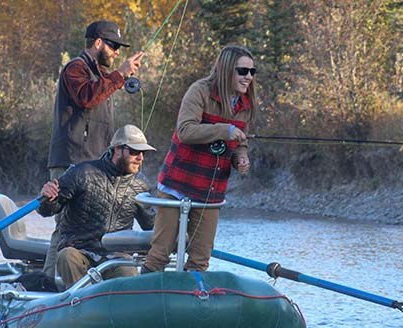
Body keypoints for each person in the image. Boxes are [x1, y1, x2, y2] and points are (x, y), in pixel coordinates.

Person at [44, 20, 145, 280]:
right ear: (98, 43)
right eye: (113, 46)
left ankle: (91, 282)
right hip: (70, 159)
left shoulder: (102, 76)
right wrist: (120, 75)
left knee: (89, 226)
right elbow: (87, 97)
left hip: (94, 163)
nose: (117, 52)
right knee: (65, 225)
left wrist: (117, 77)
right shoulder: (74, 68)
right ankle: (50, 283)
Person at [142, 45, 255, 273]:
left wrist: (240, 159)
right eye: (243, 71)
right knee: (159, 255)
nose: (249, 78)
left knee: (200, 260)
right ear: (226, 69)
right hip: (177, 183)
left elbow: (240, 142)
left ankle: (189, 301)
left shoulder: (246, 104)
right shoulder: (199, 91)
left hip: (211, 191)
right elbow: (185, 131)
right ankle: (142, 297)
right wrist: (224, 129)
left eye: (253, 72)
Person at [39, 125, 156, 288]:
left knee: (128, 272)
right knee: (66, 256)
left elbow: (152, 226)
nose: (141, 158)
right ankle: (79, 304)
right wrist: (47, 198)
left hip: (117, 256)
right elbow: (46, 211)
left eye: (144, 153)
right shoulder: (82, 172)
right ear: (117, 150)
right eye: (135, 152)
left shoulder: (141, 185)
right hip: (78, 251)